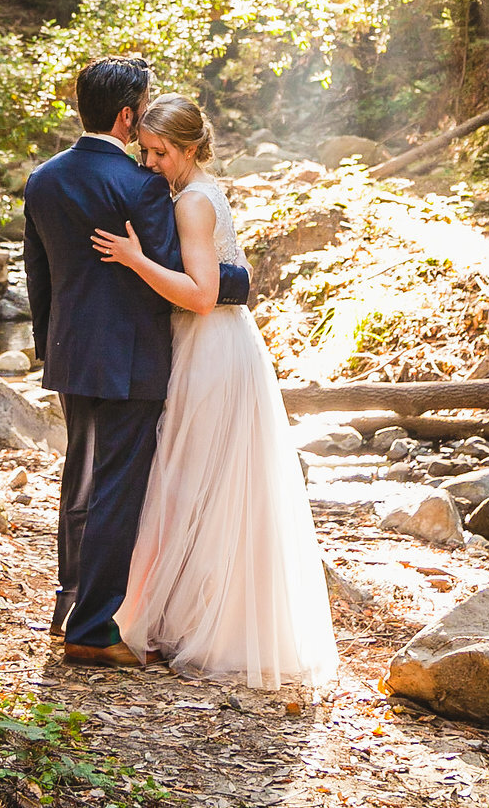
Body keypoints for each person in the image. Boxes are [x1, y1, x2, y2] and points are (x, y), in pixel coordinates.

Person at [93, 93, 338, 690]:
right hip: (218, 344)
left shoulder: (193, 203)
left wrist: (132, 260)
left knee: (193, 479)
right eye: (144, 150)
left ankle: (198, 621)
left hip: (210, 347)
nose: (148, 163)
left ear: (191, 148)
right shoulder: (196, 191)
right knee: (204, 481)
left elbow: (203, 293)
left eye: (159, 153)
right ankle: (192, 612)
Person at [23, 58, 252, 667]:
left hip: (73, 354)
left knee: (80, 481)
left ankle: (67, 604)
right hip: (132, 359)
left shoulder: (43, 179)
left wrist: (52, 345)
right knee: (118, 490)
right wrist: (241, 283)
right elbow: (186, 276)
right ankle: (94, 627)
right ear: (127, 115)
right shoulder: (141, 186)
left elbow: (37, 274)